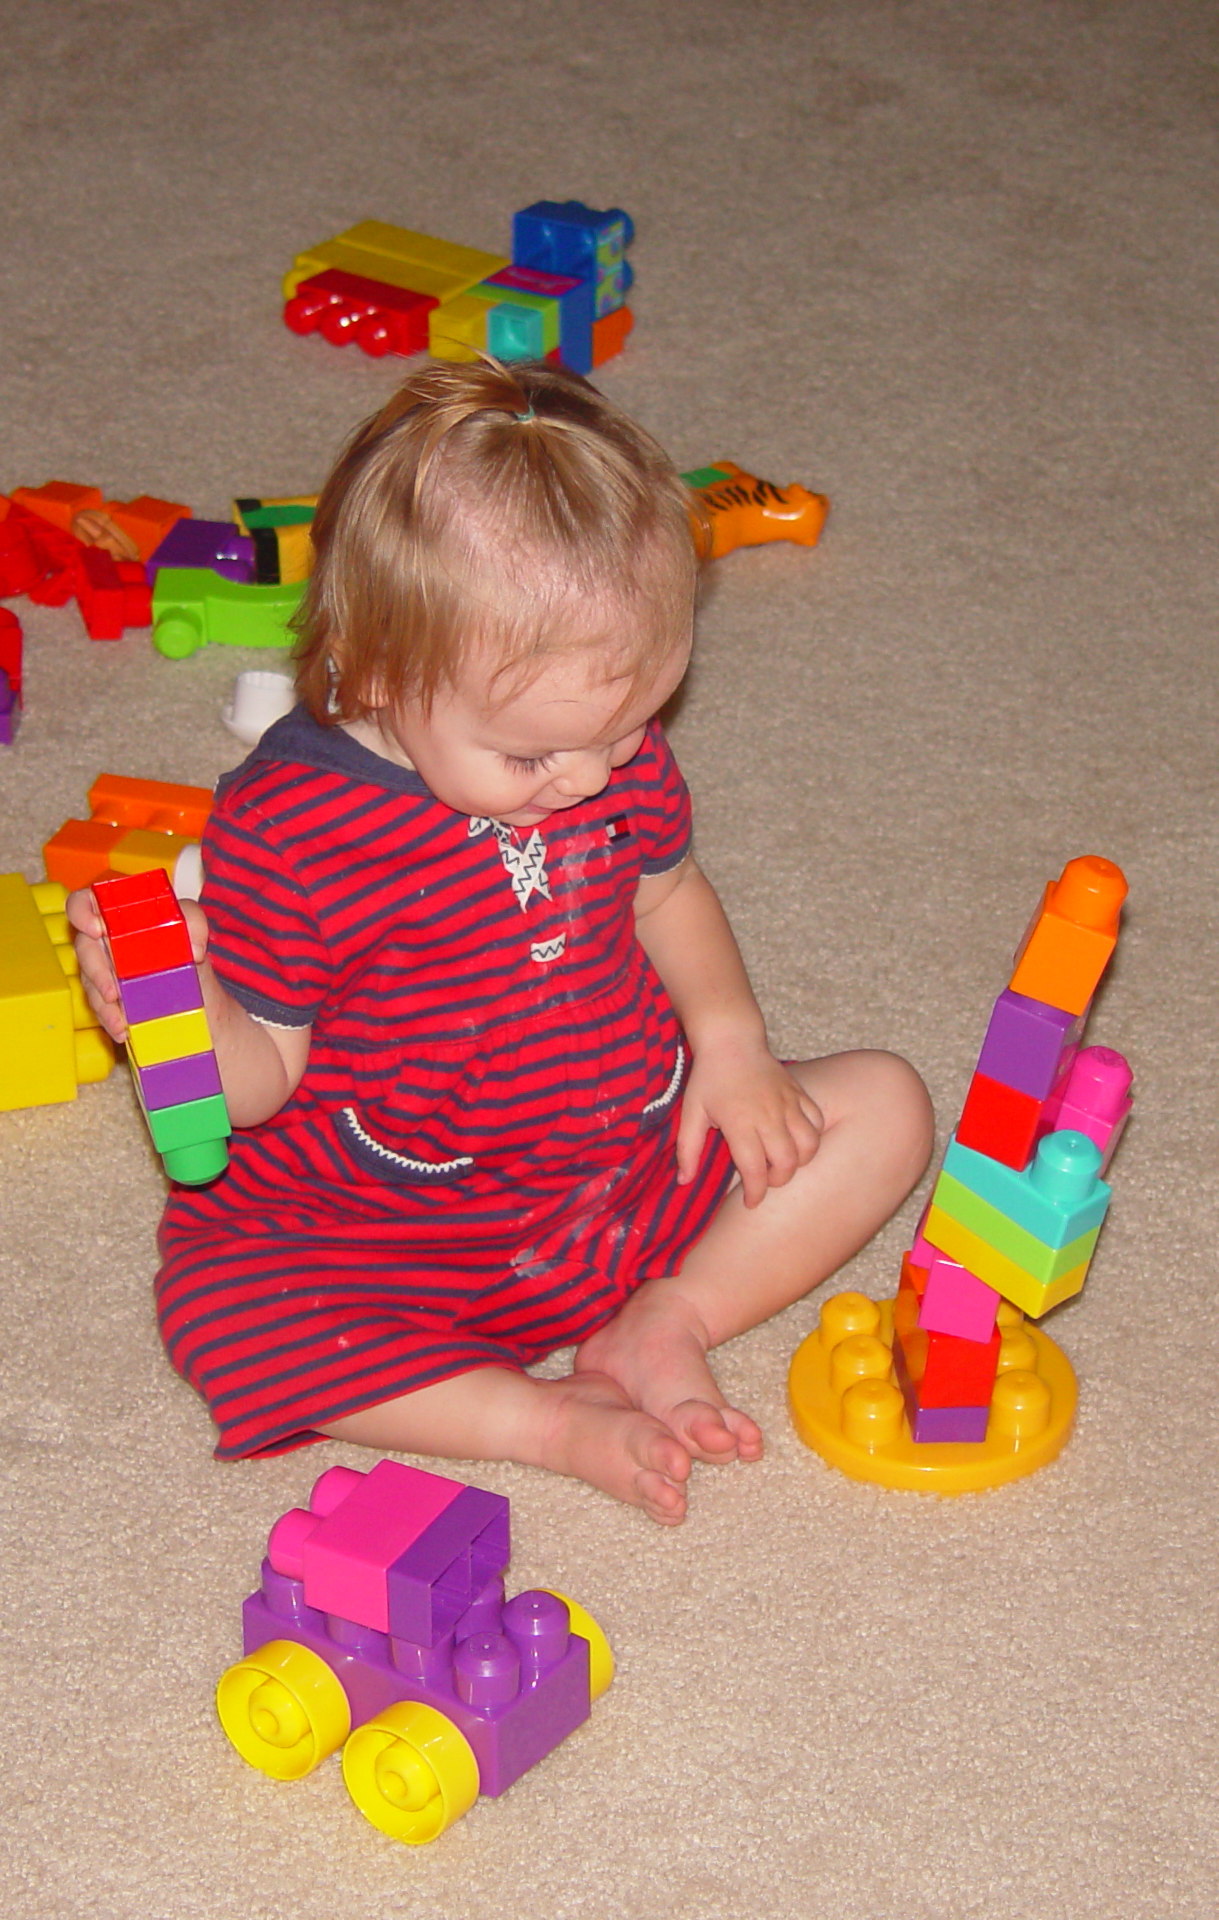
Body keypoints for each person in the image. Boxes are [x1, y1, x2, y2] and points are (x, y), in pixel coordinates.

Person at [68, 360, 933, 1523]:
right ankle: (538, 1418)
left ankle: (663, 1319)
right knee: (223, 1318)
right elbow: (258, 1081)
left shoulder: (600, 749)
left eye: (629, 732)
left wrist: (732, 1046)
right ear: (376, 669)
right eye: (532, 757)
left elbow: (667, 893)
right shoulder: (289, 827)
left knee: (885, 1108)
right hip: (386, 1231)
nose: (586, 779)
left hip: (625, 1172)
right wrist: (178, 1014)